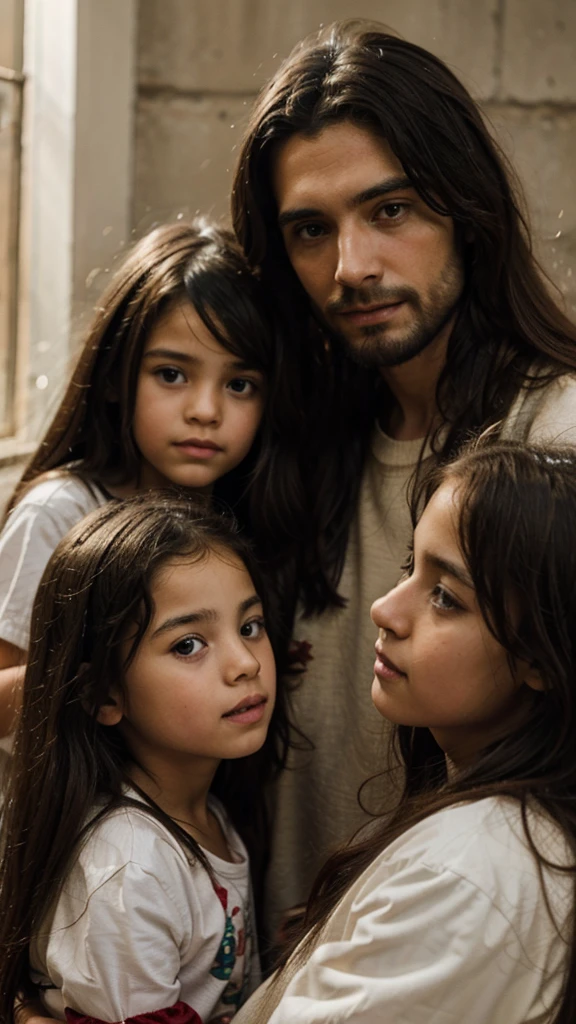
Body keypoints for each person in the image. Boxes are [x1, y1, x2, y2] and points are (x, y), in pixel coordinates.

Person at [231, 19, 576, 927]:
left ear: (468, 209)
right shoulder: (284, 444)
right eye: (312, 230)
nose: (352, 267)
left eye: (390, 210)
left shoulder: (555, 447)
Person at [235, 439, 576, 1024]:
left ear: (542, 658)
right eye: (409, 567)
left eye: (445, 597)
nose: (386, 610)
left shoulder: (471, 873)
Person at [0, 219, 304, 741]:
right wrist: (114, 681)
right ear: (117, 375)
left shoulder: (245, 517)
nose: (205, 411)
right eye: (171, 374)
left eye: (238, 384)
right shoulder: (61, 512)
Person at [0, 493, 278, 1024]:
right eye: (189, 645)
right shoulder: (129, 869)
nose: (245, 663)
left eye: (249, 627)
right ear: (105, 695)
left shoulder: (203, 814)